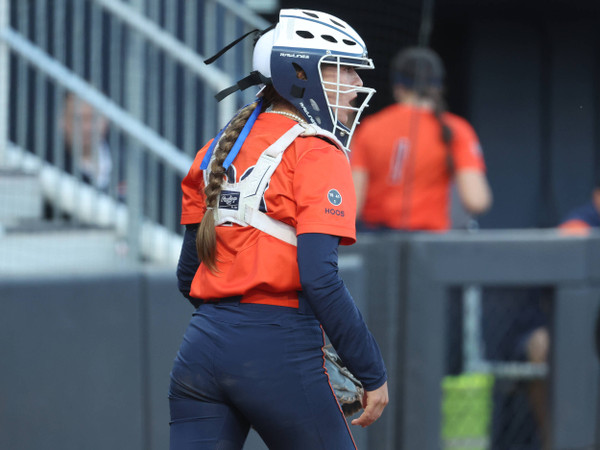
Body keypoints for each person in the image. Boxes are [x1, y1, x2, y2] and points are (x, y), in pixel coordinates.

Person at [170, 8, 388, 450]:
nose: (357, 83)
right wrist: (372, 371)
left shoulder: (214, 150)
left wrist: (231, 328)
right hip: (278, 347)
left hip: (200, 349)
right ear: (300, 74)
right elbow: (320, 278)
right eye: (343, 69)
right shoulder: (316, 152)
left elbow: (188, 276)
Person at [350, 46, 492, 232]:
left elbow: (353, 207)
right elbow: (476, 200)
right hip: (430, 242)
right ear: (438, 87)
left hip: (376, 240)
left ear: (398, 87)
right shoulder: (456, 129)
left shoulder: (370, 127)